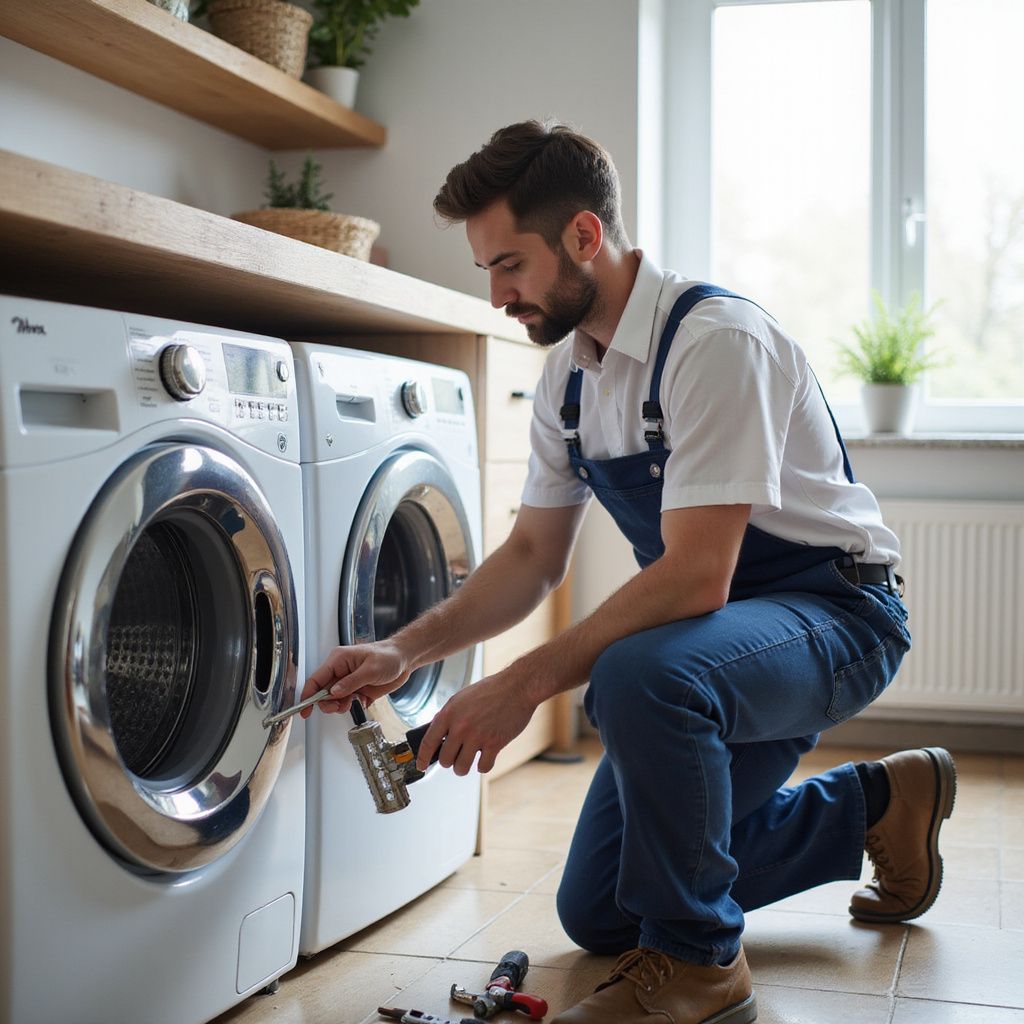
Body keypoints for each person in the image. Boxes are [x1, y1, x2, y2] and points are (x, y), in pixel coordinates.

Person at [301, 120, 957, 1024]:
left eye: (509, 266)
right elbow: (533, 557)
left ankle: (701, 967)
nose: (496, 295)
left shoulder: (716, 342)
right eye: (487, 269)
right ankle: (879, 803)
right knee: (603, 908)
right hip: (721, 644)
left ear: (583, 236)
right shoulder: (569, 381)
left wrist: (520, 687)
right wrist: (403, 650)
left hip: (838, 616)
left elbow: (695, 580)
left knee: (637, 676)